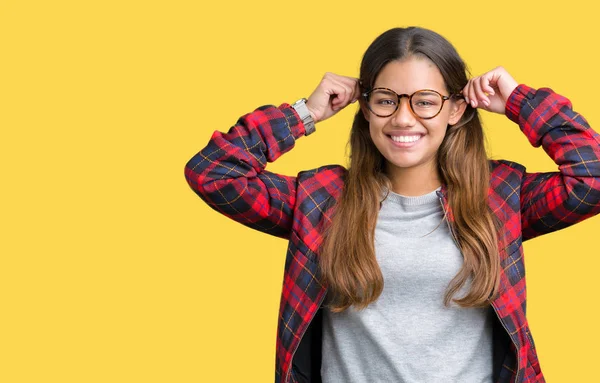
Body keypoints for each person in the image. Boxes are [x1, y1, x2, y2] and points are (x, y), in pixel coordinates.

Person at [184, 26, 600, 383]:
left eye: (424, 101)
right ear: (365, 107)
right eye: (386, 99)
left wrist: (519, 101)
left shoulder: (499, 197)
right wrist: (304, 113)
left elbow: (592, 177)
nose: (403, 119)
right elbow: (214, 173)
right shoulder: (320, 201)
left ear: (456, 108)